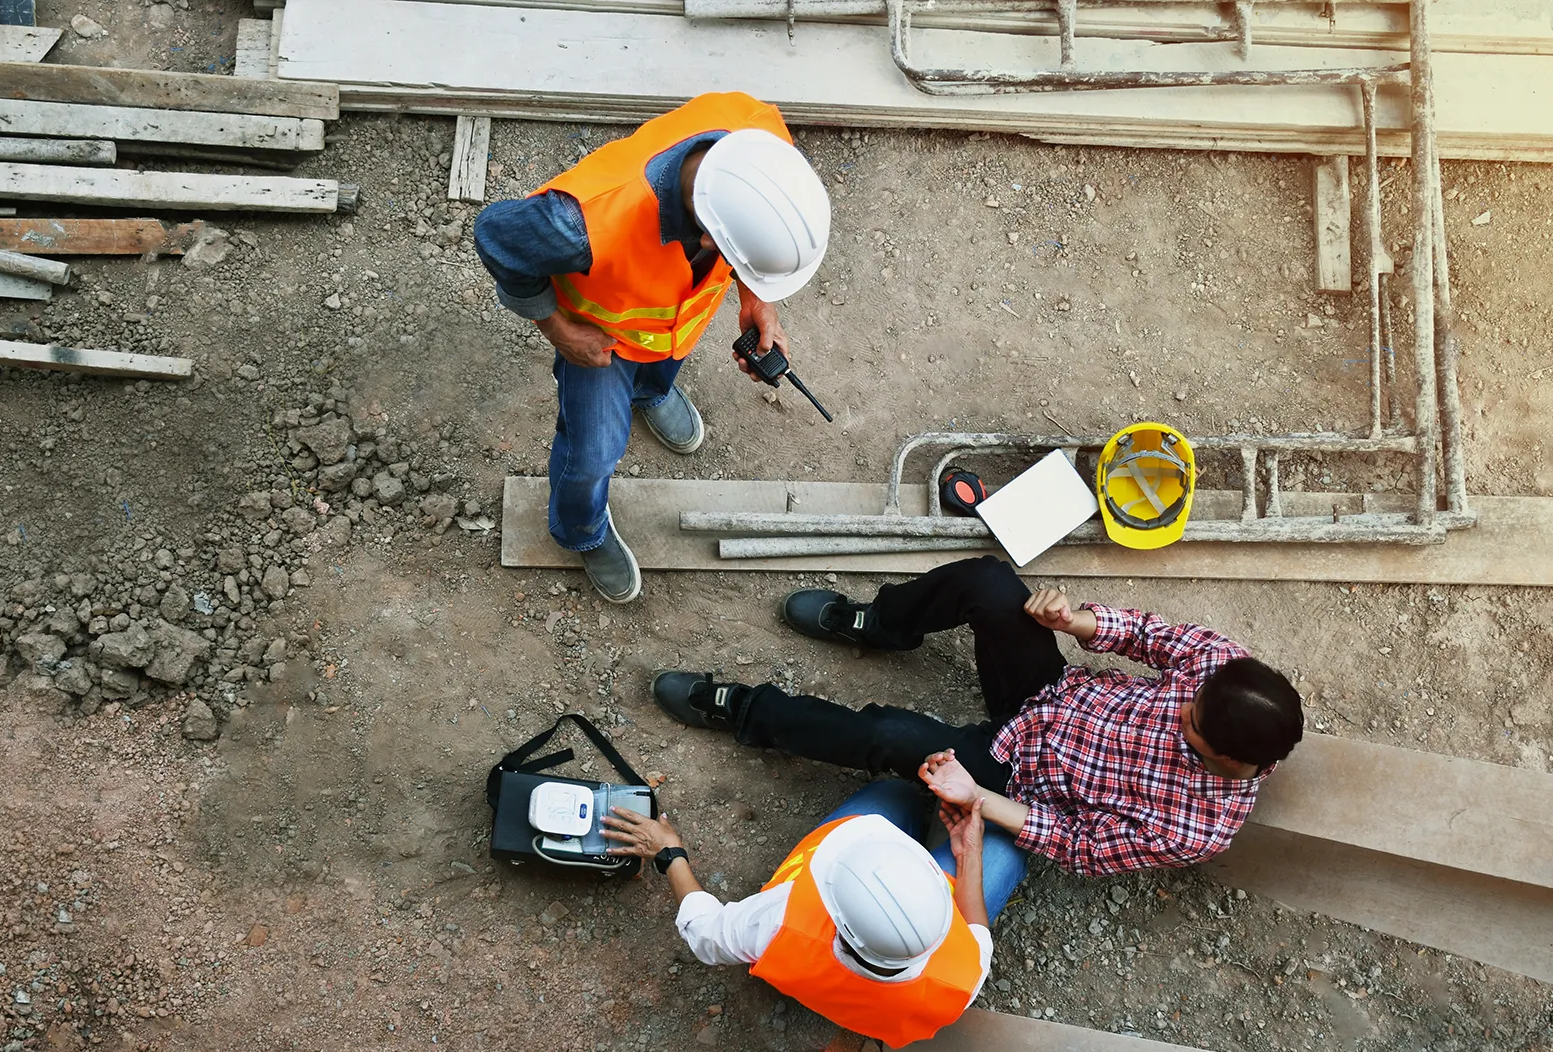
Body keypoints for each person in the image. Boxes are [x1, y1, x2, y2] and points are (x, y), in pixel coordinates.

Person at [648, 556, 1303, 899]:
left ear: (1217, 755)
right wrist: (1072, 623)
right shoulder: (1224, 670)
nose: (1179, 705)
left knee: (893, 738)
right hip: (1054, 694)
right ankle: (880, 623)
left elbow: (1078, 845)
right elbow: (1157, 638)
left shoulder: (1198, 828)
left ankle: (740, 709)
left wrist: (980, 799)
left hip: (1018, 775)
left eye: (1186, 722)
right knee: (991, 583)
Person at [473, 92, 831, 604]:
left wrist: (757, 299)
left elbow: (746, 234)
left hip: (670, 322)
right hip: (599, 338)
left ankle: (648, 393)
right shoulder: (580, 225)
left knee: (664, 363)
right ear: (709, 240)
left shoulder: (759, 136)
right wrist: (561, 332)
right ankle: (580, 531)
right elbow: (495, 239)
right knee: (592, 453)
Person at [601, 775, 1000, 1049]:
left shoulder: (781, 920)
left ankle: (909, 804)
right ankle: (945, 834)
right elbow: (978, 930)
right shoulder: (961, 981)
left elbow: (706, 935)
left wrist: (669, 853)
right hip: (884, 1006)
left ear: (837, 915)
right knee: (1002, 844)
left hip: (814, 971)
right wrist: (971, 854)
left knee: (895, 795)